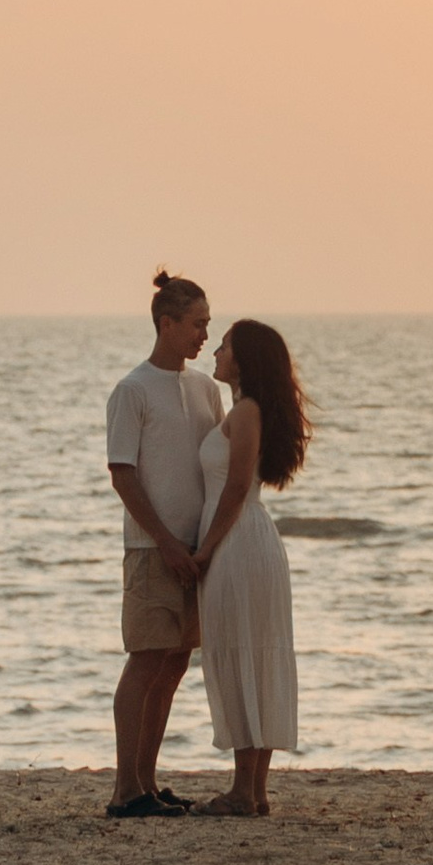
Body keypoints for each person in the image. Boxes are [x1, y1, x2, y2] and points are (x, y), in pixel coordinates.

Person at [104, 270, 222, 818]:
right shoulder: (132, 391)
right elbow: (123, 474)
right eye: (196, 324)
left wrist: (206, 544)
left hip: (197, 552)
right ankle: (124, 788)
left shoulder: (205, 389)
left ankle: (149, 783)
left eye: (207, 324)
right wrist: (166, 542)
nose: (204, 334)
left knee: (174, 665)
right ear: (166, 323)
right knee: (145, 663)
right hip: (153, 553)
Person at [194, 318, 306, 816]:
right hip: (255, 541)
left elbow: (236, 488)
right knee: (254, 652)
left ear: (242, 360)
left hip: (240, 543)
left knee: (241, 650)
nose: (215, 352)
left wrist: (204, 550)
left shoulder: (244, 412)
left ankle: (245, 790)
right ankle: (254, 790)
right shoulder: (248, 410)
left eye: (224, 346)